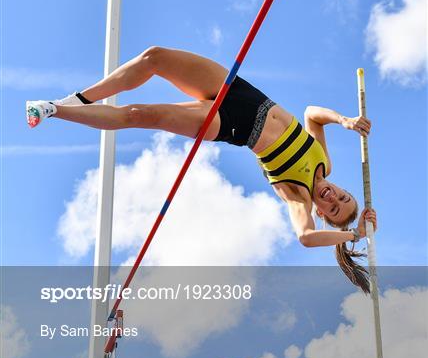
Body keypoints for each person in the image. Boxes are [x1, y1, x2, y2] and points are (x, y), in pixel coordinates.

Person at [26, 46, 377, 292]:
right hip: (245, 93)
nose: (333, 197)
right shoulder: (323, 161)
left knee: (142, 115)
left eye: (332, 207)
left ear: (320, 211)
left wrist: (354, 235)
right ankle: (81, 99)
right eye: (343, 196)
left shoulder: (297, 196)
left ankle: (54, 110)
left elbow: (304, 237)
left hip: (232, 123)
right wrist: (344, 120)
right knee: (155, 58)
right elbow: (312, 113)